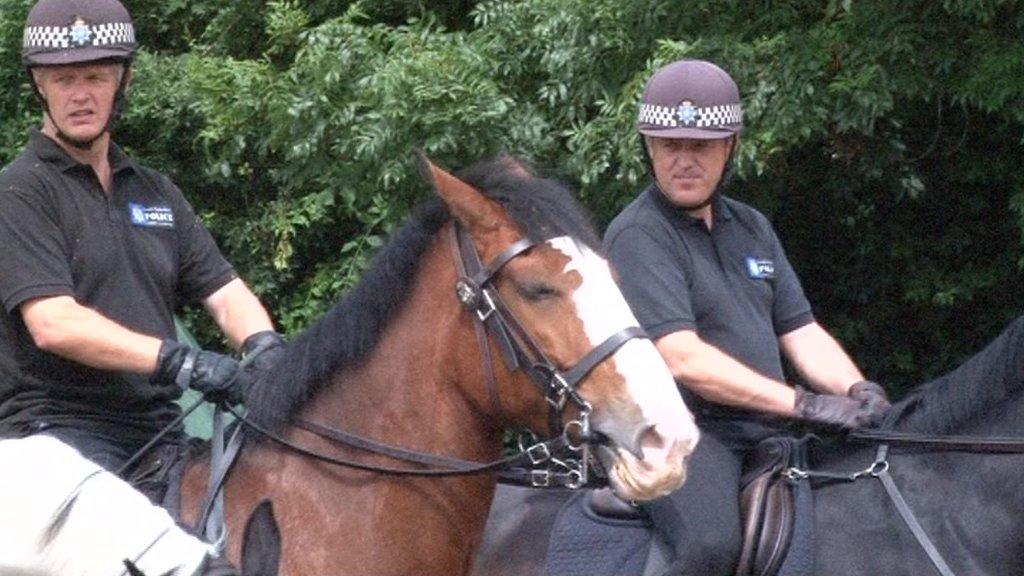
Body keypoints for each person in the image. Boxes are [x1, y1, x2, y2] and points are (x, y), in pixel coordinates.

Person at [0, 0, 284, 574]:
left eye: (95, 77)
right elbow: (53, 322)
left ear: (122, 80)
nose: (80, 94)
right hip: (55, 439)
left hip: (162, 435)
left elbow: (225, 292)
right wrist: (183, 362)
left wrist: (265, 349)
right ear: (40, 85)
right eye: (64, 79)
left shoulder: (153, 192)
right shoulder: (19, 192)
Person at [602, 58, 890, 575]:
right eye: (671, 145)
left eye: (701, 146)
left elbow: (800, 331)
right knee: (710, 548)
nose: (684, 161)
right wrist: (804, 403)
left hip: (768, 430)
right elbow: (682, 357)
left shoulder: (751, 226)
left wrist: (857, 391)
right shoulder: (638, 234)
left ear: (730, 146)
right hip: (683, 437)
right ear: (649, 148)